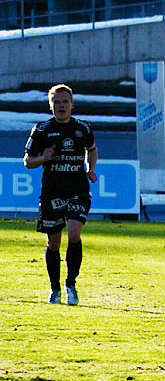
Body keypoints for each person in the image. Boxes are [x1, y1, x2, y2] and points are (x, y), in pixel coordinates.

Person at [23, 84, 98, 306]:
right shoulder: (41, 129)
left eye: (65, 102)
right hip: (52, 192)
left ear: (72, 104)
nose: (61, 106)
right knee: (53, 242)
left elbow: (92, 149)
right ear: (51, 105)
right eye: (57, 102)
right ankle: (55, 288)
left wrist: (90, 169)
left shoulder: (83, 128)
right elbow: (27, 161)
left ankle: (71, 284)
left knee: (74, 233)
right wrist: (42, 158)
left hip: (78, 190)